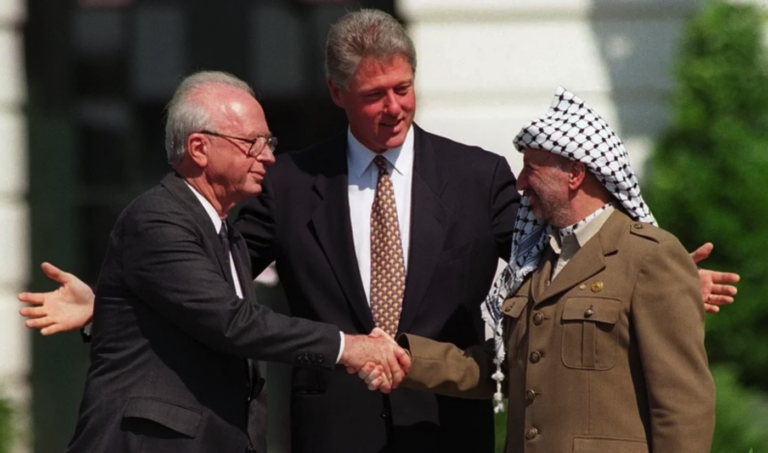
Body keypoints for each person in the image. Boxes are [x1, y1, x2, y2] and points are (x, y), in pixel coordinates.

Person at [19, 9, 736, 453]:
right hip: (335, 431)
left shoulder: (477, 174)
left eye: (403, 88)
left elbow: (548, 251)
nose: (393, 107)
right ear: (338, 95)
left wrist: (660, 279)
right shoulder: (293, 180)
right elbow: (218, 280)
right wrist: (118, 304)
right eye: (373, 94)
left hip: (446, 427)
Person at [60, 71, 409, 453]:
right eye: (252, 143)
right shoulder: (156, 220)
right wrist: (349, 347)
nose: (269, 156)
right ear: (199, 148)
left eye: (269, 142)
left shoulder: (228, 235)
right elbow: (233, 323)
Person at [362, 88, 716, 453]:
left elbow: (683, 405)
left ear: (575, 174)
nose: (519, 183)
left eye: (531, 168)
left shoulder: (649, 258)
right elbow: (500, 369)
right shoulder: (536, 260)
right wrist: (406, 357)